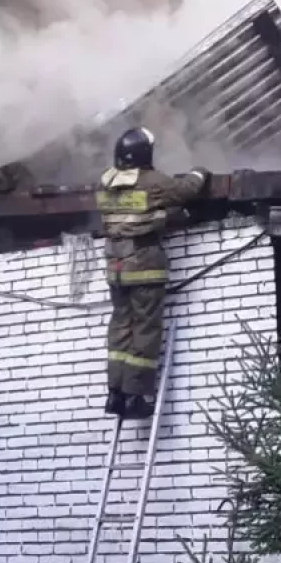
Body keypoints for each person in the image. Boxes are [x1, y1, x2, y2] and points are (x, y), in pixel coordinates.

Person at [95, 127, 211, 419]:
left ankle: (115, 394)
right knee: (146, 330)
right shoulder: (152, 181)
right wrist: (199, 172)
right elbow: (186, 192)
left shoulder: (105, 184)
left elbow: (135, 214)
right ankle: (136, 397)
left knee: (121, 328)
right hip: (144, 267)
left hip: (116, 269)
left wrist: (161, 217)